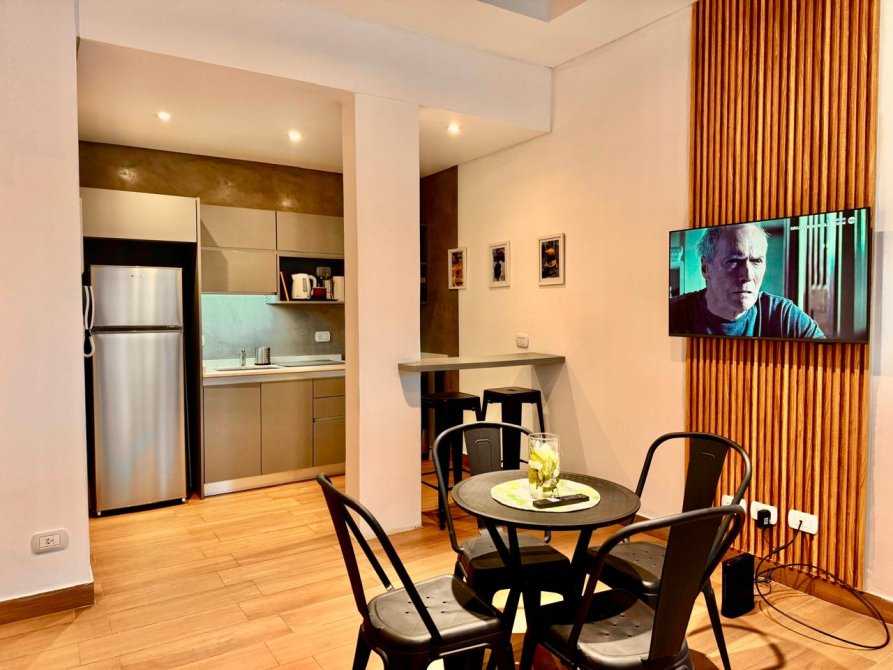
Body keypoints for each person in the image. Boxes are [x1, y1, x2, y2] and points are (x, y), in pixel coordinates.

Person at [669, 224, 824, 338]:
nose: (748, 275)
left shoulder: (783, 316)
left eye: (756, 261)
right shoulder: (673, 315)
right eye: (733, 261)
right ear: (705, 268)